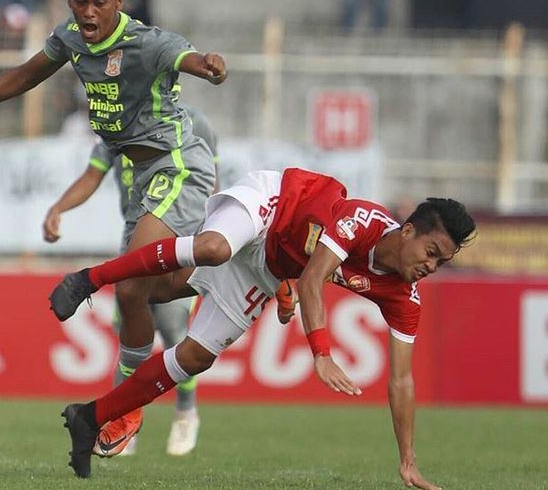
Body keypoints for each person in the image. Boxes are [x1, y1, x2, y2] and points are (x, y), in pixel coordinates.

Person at [0, 0, 226, 457]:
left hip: (177, 167)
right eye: (80, 1)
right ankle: (243, 268)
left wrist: (205, 65)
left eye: (100, 2)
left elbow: (185, 56)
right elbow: (24, 75)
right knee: (140, 295)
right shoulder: (72, 39)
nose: (89, 12)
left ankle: (125, 410)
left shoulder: (146, 42)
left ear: (119, 1)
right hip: (142, 179)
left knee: (129, 286)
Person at [50, 168, 476, 485]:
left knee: (195, 354)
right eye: (431, 251)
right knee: (214, 248)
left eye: (442, 262)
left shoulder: (405, 297)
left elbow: (402, 380)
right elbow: (314, 279)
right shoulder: (362, 221)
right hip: (272, 206)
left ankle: (91, 417)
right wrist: (321, 353)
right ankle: (89, 278)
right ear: (407, 232)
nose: (431, 266)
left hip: (271, 267)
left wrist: (407, 460)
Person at [43, 105, 220, 457]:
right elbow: (93, 175)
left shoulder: (196, 122)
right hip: (135, 234)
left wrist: (211, 234)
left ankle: (186, 411)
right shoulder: (117, 121)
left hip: (180, 231)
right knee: (129, 326)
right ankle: (123, 421)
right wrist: (59, 207)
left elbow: (211, 182)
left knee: (172, 327)